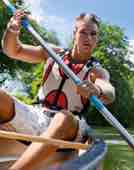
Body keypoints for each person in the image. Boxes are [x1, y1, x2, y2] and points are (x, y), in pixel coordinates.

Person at [1, 10, 115, 170]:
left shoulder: (97, 71)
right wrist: (12, 29)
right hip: (38, 116)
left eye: (93, 34)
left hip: (70, 126)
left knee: (63, 117)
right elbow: (12, 50)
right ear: (75, 33)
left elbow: (109, 92)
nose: (88, 38)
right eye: (83, 32)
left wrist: (96, 90)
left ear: (97, 39)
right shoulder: (53, 53)